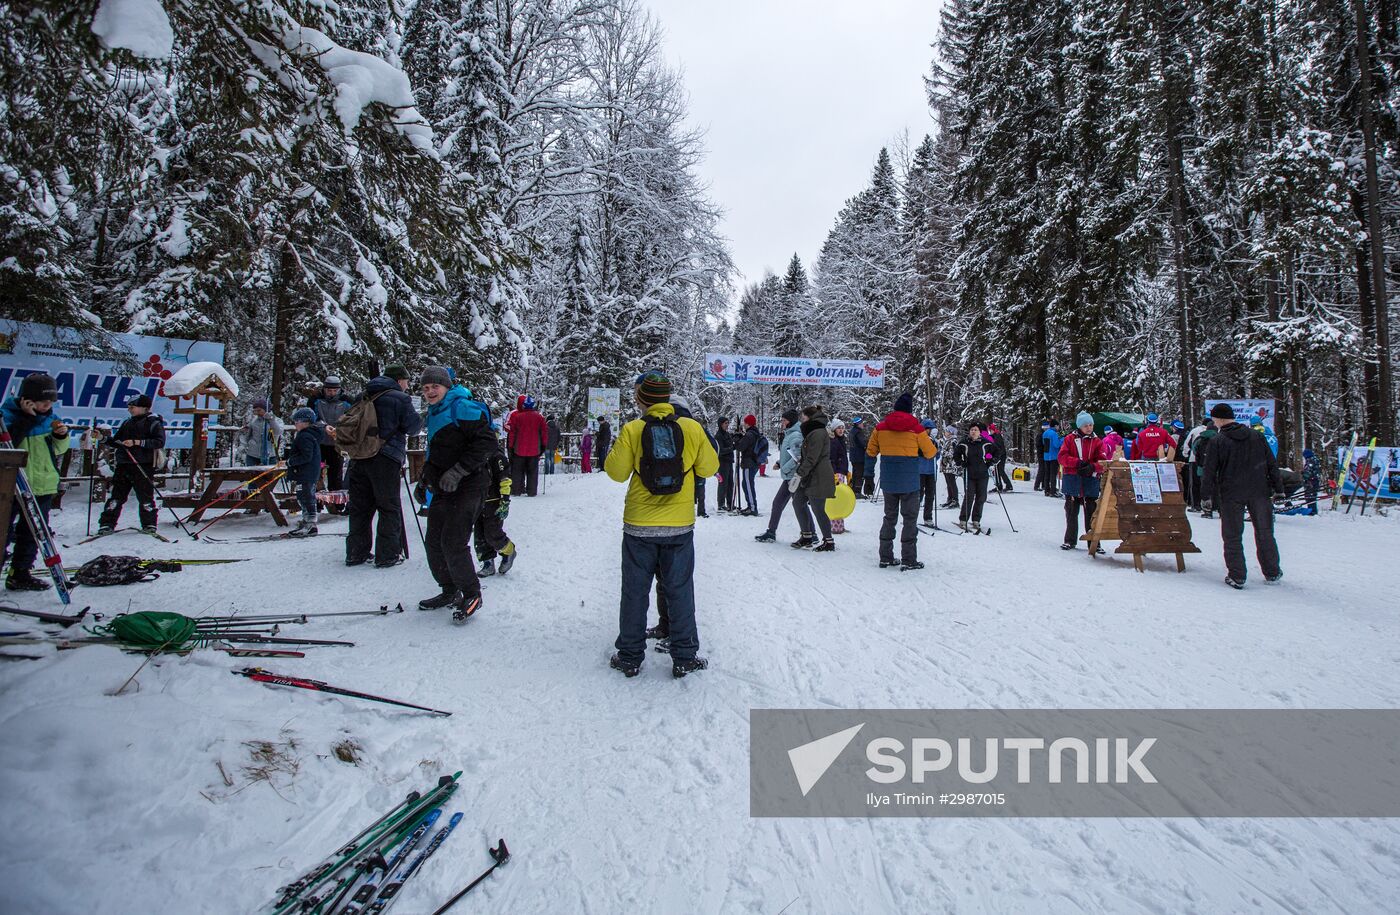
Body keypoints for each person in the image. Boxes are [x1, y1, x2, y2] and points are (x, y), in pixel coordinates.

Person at [604, 369, 718, 678]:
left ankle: (629, 656)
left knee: (634, 591)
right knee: (679, 590)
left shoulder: (633, 429)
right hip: (679, 526)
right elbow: (710, 466)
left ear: (641, 400)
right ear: (668, 397)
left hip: (639, 525)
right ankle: (684, 656)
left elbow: (615, 472)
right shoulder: (691, 428)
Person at [413, 367, 498, 617]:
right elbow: (437, 453)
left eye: (435, 387)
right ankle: (450, 589)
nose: (430, 392)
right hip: (443, 487)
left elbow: (487, 443)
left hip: (471, 484)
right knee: (434, 542)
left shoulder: (461, 406)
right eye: (426, 388)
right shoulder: (435, 412)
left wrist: (459, 470)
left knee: (453, 540)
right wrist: (424, 480)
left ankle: (472, 594)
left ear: (446, 386)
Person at [1200, 402, 1283, 589]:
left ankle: (1237, 575)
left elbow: (1209, 471)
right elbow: (1272, 463)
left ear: (1218, 419)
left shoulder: (1218, 441)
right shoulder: (1257, 436)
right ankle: (1272, 571)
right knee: (1265, 532)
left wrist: (1206, 495)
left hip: (1231, 493)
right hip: (1259, 491)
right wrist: (1278, 487)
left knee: (1232, 535)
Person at [344, 364, 421, 568]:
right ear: (398, 380)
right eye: (406, 381)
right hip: (385, 457)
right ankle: (387, 555)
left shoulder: (364, 395)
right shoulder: (400, 398)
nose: (407, 385)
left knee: (360, 507)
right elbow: (413, 427)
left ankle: (356, 553)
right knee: (388, 507)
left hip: (359, 457)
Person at [2, 373, 70, 591]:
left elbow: (59, 450)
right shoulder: (7, 416)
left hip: (42, 484)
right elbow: (8, 446)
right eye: (43, 402)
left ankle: (20, 573)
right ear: (27, 399)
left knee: (33, 533)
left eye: (50, 402)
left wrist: (61, 436)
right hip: (11, 486)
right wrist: (26, 418)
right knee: (3, 532)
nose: (47, 406)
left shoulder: (51, 419)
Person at [865, 392, 937, 570]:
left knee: (889, 517)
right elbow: (930, 453)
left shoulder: (880, 428)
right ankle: (909, 559)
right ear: (910, 410)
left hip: (889, 481)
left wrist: (869, 475)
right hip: (910, 481)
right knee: (910, 519)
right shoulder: (917, 428)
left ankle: (886, 556)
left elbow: (871, 452)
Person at [96, 394, 165, 535]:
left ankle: (149, 524)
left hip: (143, 464)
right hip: (124, 464)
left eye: (133, 407)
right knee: (116, 495)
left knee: (145, 496)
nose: (130, 410)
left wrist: (137, 442)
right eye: (129, 407)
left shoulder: (153, 422)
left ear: (144, 408)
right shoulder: (127, 423)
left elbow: (159, 441)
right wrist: (102, 438)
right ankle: (107, 523)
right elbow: (117, 442)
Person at [1058, 412, 1108, 551]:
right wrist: (1077, 463)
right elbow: (1062, 457)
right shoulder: (1069, 439)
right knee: (1071, 512)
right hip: (1072, 480)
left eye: (1091, 425)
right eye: (1086, 425)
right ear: (1080, 426)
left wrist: (1093, 467)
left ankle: (1094, 543)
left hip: (1090, 481)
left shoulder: (1097, 441)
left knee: (1091, 513)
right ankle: (1069, 540)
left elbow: (1103, 461)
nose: (1089, 428)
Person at [790, 405, 837, 551]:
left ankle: (828, 541)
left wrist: (799, 473)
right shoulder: (813, 431)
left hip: (818, 476)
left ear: (810, 418)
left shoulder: (817, 432)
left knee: (818, 509)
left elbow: (812, 458)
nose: (802, 421)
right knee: (798, 502)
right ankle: (807, 536)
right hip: (810, 475)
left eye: (803, 418)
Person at [754, 409, 803, 542]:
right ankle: (771, 532)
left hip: (793, 477)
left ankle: (811, 534)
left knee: (800, 506)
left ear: (791, 421)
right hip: (788, 477)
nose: (782, 423)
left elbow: (798, 458)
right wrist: (779, 463)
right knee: (778, 503)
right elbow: (788, 454)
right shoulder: (789, 434)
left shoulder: (796, 436)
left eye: (784, 420)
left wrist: (785, 467)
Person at [475, 422, 517, 577]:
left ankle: (508, 550)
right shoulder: (475, 453)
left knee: (492, 533)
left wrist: (505, 499)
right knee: (479, 535)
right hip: (477, 499)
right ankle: (487, 562)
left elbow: (505, 478)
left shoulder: (497, 456)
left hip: (494, 500)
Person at [307, 376, 353, 496]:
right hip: (319, 442)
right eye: (329, 390)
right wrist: (323, 426)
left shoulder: (347, 401)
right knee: (316, 471)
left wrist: (341, 429)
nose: (332, 393)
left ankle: (337, 504)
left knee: (336, 473)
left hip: (337, 443)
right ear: (324, 389)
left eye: (334, 391)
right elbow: (311, 418)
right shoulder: (315, 400)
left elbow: (351, 419)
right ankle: (317, 502)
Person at [671, 396, 713, 518]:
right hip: (689, 478)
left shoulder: (644, 425)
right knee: (699, 490)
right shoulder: (695, 428)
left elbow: (618, 473)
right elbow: (711, 464)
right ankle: (700, 510)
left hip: (645, 513)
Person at [286, 407, 323, 537]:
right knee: (303, 497)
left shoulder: (305, 436)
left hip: (306, 473)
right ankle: (307, 521)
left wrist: (291, 461)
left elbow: (306, 456)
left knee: (307, 498)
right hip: (305, 473)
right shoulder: (308, 435)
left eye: (298, 421)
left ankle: (310, 524)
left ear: (306, 422)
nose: (295, 423)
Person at [955, 421, 996, 533]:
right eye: (972, 429)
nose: (973, 432)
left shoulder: (986, 443)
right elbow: (956, 454)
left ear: (979, 432)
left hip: (983, 474)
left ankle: (976, 520)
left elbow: (996, 452)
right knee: (969, 496)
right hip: (969, 474)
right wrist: (961, 462)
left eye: (976, 430)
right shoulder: (964, 443)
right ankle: (963, 519)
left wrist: (990, 461)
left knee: (981, 497)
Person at [506, 395, 547, 497]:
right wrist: (543, 445)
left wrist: (511, 446)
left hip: (519, 450)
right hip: (534, 450)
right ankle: (532, 491)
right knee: (532, 472)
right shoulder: (539, 417)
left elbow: (512, 433)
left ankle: (516, 490)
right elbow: (544, 433)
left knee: (517, 471)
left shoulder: (517, 417)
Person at [237, 399, 284, 466]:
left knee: (269, 475)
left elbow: (278, 432)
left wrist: (271, 420)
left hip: (270, 454)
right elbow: (247, 435)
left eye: (259, 410)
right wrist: (245, 444)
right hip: (253, 454)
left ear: (266, 409)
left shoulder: (277, 420)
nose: (257, 413)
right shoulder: (254, 421)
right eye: (255, 411)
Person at [736, 414, 764, 516]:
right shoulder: (754, 433)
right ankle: (751, 506)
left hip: (749, 463)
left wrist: (737, 439)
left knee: (748, 484)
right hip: (753, 462)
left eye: (745, 422)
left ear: (748, 423)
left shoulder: (749, 435)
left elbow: (740, 447)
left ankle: (752, 508)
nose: (743, 424)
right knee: (746, 484)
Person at [1179, 421, 1208, 510]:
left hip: (1194, 459)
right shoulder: (1215, 431)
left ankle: (1195, 504)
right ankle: (1209, 505)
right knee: (1208, 482)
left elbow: (1187, 444)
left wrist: (1186, 455)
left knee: (1194, 483)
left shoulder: (1195, 430)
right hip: (1210, 460)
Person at [918, 418, 939, 523]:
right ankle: (912, 516)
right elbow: (924, 453)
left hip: (931, 471)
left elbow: (937, 455)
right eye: (930, 429)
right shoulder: (918, 439)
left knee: (930, 495)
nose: (932, 431)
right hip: (920, 471)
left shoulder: (934, 441)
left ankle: (928, 517)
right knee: (919, 494)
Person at [715, 417, 738, 511]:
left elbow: (732, 441)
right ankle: (721, 504)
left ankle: (730, 503)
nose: (727, 425)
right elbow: (720, 450)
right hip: (722, 462)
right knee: (722, 483)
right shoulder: (718, 436)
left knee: (730, 484)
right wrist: (732, 448)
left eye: (728, 423)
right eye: (725, 423)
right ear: (720, 424)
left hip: (729, 462)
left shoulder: (727, 434)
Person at [848, 415, 871, 496]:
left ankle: (853, 490)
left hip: (854, 457)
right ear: (858, 424)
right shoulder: (858, 432)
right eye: (861, 423)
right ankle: (857, 492)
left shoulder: (852, 431)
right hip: (859, 457)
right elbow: (863, 443)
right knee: (859, 474)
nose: (862, 424)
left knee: (855, 473)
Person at [939, 423, 960, 508]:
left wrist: (942, 452)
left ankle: (955, 500)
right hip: (946, 465)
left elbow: (952, 453)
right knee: (948, 483)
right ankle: (950, 499)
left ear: (951, 433)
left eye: (947, 431)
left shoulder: (953, 441)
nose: (945, 432)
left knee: (952, 482)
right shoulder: (947, 441)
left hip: (950, 465)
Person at [1039, 419, 1062, 497]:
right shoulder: (1054, 434)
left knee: (1047, 474)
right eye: (1058, 426)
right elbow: (1056, 445)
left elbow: (1043, 443)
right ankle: (1053, 491)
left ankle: (1047, 490)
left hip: (1046, 456)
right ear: (1055, 426)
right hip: (1053, 456)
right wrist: (1062, 439)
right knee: (1053, 474)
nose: (1058, 427)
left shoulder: (1045, 433)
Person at [987, 422, 1013, 491]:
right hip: (997, 455)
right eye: (989, 430)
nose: (990, 431)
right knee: (996, 471)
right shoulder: (993, 436)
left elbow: (999, 447)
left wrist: (997, 456)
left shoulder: (997, 436)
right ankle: (999, 485)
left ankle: (1009, 485)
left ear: (993, 430)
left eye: (990, 430)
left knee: (1000, 470)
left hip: (1001, 455)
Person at [1301, 448, 1322, 516]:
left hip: (1311, 482)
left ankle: (1312, 511)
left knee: (1309, 496)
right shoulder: (1315, 460)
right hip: (1315, 481)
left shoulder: (1310, 461)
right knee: (1312, 496)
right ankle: (1312, 510)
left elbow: (1308, 472)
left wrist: (1303, 474)